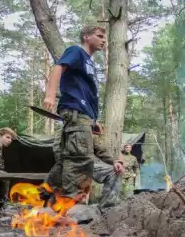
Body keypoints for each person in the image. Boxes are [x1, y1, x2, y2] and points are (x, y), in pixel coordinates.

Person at [42, 25, 125, 204]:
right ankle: (72, 206)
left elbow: (85, 91)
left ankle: (46, 196)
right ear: (86, 37)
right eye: (99, 36)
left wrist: (93, 120)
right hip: (75, 113)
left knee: (70, 159)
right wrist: (50, 95)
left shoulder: (89, 63)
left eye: (105, 37)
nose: (104, 40)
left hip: (84, 116)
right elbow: (58, 68)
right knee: (80, 160)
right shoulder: (76, 51)